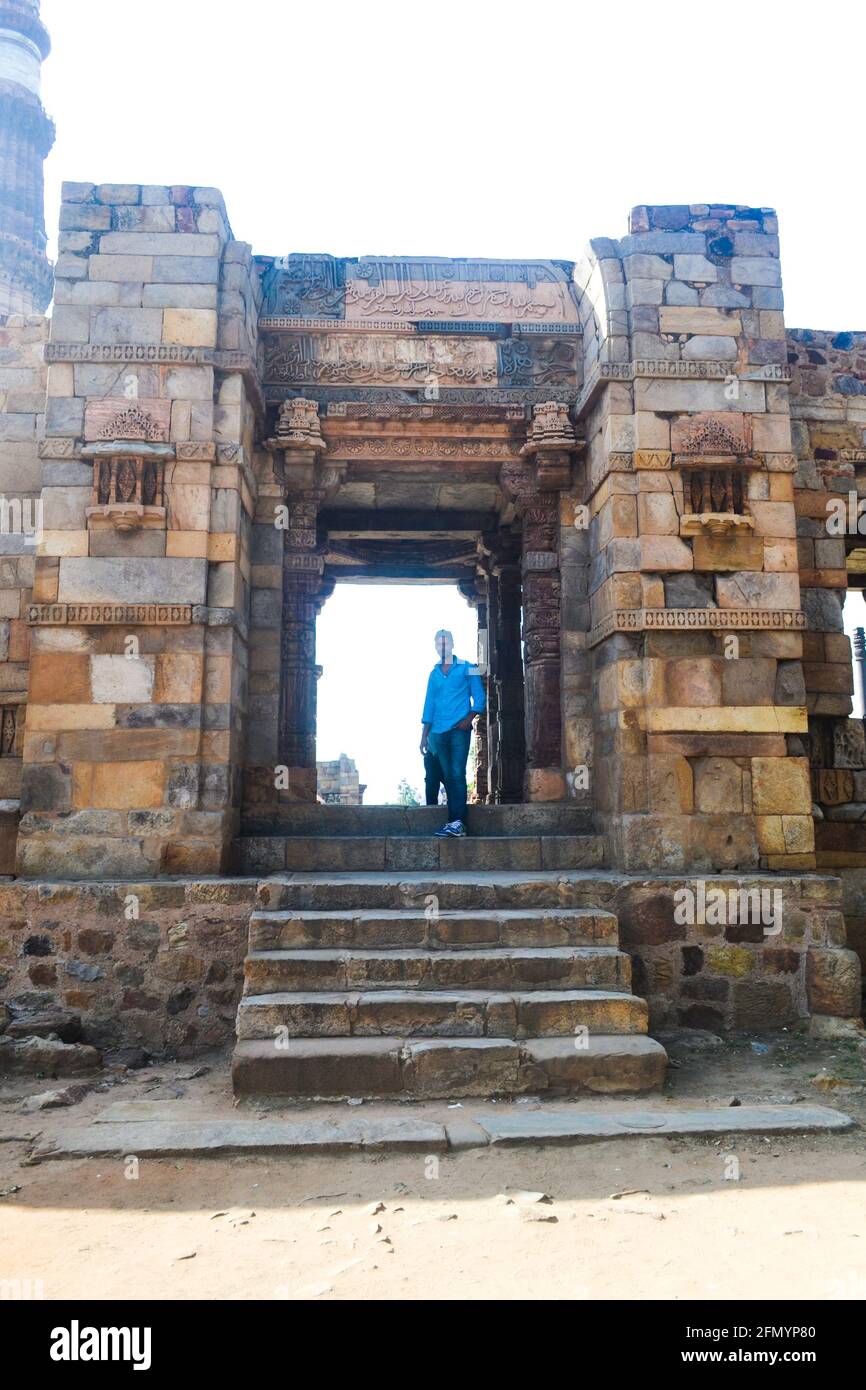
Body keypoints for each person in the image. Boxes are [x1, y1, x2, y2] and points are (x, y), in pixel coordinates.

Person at [420, 628, 486, 838]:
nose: (442, 646)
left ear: (452, 643)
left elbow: (480, 698)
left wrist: (468, 720)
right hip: (437, 733)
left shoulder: (468, 668)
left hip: (459, 730)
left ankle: (458, 823)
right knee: (448, 776)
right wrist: (424, 735)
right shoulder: (434, 674)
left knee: (457, 774)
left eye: (445, 642)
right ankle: (454, 822)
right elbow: (429, 705)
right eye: (438, 643)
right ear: (435, 646)